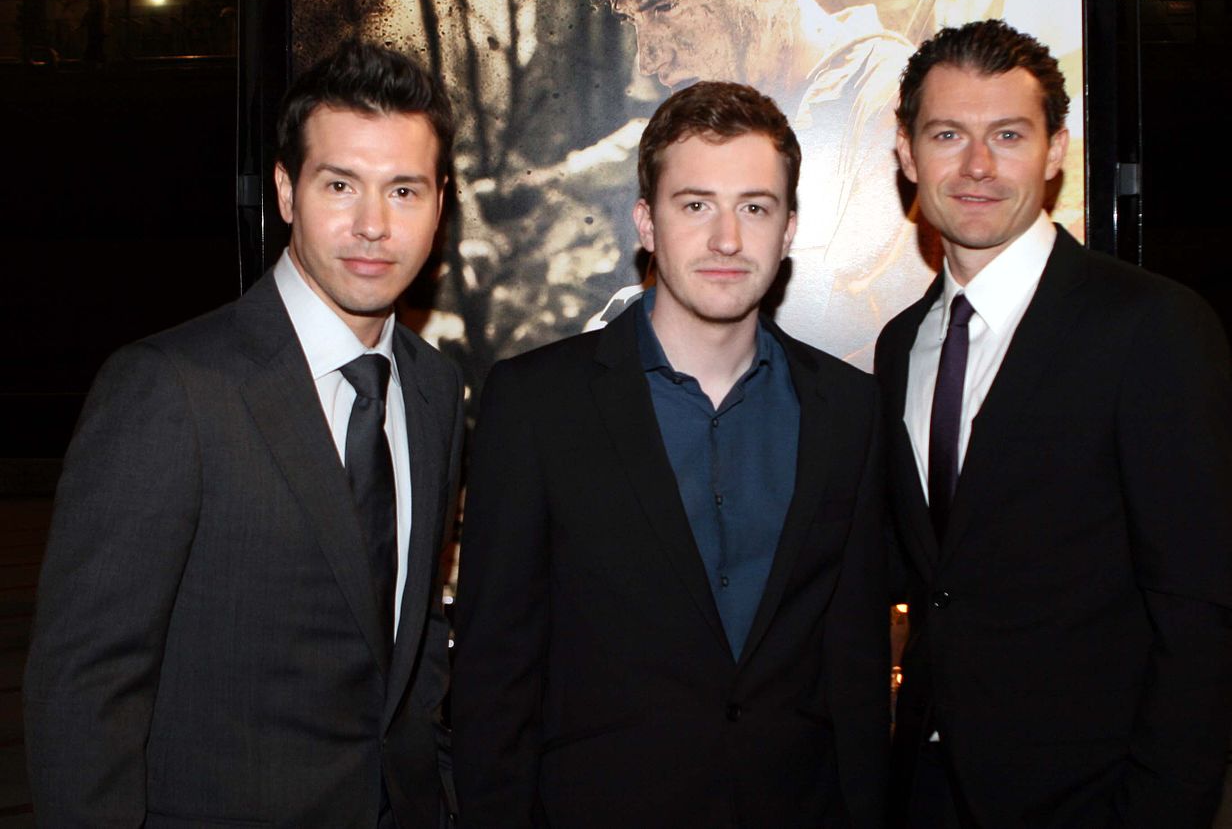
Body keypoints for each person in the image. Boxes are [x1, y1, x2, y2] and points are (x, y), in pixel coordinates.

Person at [24, 41, 466, 827]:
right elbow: (85, 683)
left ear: (440, 203)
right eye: (341, 185)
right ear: (287, 192)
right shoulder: (171, 388)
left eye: (404, 189)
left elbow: (411, 631)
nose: (373, 224)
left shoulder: (432, 390)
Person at [452, 81, 889, 828]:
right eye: (695, 205)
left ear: (788, 229)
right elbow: (495, 677)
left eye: (755, 207)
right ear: (647, 223)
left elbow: (854, 669)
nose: (727, 239)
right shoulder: (536, 404)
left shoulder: (849, 410)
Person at [875, 19, 1232, 829]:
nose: (977, 165)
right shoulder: (902, 341)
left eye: (1008, 134)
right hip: (923, 787)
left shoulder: (1152, 328)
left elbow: (1199, 612)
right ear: (907, 152)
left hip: (1089, 797)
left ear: (1053, 152)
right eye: (948, 134)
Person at [582, 0, 931, 366]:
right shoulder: (725, 127)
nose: (648, 59)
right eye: (634, 20)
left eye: (663, 7)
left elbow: (882, 334)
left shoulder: (885, 102)